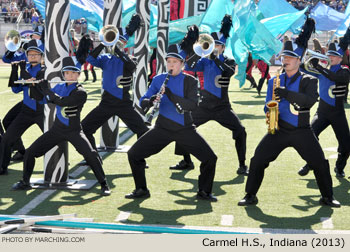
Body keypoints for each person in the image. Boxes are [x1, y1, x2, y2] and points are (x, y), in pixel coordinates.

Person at [238, 18, 341, 208]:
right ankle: (250, 195)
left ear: (298, 60)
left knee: (319, 163)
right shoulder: (273, 81)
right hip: (278, 130)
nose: (285, 60)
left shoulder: (309, 80)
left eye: (290, 58)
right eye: (284, 57)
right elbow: (266, 105)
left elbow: (309, 101)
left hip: (302, 131)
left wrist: (287, 94)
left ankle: (327, 197)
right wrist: (269, 112)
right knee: (258, 159)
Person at [125, 44, 218, 201]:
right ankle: (141, 189)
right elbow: (143, 101)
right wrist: (151, 100)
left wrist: (171, 95)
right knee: (133, 154)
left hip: (185, 129)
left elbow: (192, 105)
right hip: (163, 127)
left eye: (175, 62)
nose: (171, 65)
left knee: (210, 158)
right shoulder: (158, 79)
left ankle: (204, 191)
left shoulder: (190, 81)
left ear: (182, 64)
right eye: (169, 62)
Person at [11, 57, 111, 196]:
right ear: (63, 75)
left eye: (73, 73)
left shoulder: (81, 92)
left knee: (91, 154)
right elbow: (42, 99)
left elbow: (61, 101)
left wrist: (46, 89)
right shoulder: (59, 86)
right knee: (30, 152)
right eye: (67, 73)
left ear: (78, 75)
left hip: (74, 131)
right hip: (57, 130)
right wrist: (34, 86)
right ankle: (25, 181)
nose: (70, 76)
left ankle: (104, 184)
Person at [169, 15, 248, 175]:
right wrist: (198, 50)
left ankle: (242, 164)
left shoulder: (229, 61)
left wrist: (216, 58)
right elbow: (189, 64)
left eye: (218, 45)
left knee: (240, 130)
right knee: (182, 127)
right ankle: (186, 161)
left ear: (223, 48)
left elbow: (228, 72)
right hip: (203, 106)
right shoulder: (204, 61)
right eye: (214, 44)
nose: (215, 47)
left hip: (222, 107)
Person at [82, 15, 149, 150]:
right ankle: (93, 156)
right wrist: (104, 42)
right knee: (84, 128)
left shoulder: (130, 59)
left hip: (124, 103)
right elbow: (90, 58)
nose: (115, 44)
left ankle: (139, 157)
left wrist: (117, 48)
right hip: (106, 103)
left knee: (143, 130)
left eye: (119, 42)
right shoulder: (105, 58)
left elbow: (130, 66)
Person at [298, 28, 350, 178]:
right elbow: (302, 68)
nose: (331, 57)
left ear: (340, 58)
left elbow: (336, 78)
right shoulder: (322, 70)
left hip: (338, 113)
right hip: (322, 112)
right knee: (310, 135)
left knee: (346, 145)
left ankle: (339, 168)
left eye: (334, 55)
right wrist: (308, 60)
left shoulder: (344, 70)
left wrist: (319, 66)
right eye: (329, 55)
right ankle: (310, 163)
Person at [0, 39, 45, 175]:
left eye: (36, 54)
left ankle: (60, 163)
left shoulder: (44, 70)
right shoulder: (26, 68)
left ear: (41, 57)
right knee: (7, 138)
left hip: (42, 111)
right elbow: (16, 90)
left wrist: (23, 72)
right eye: (30, 54)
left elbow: (33, 82)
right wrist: (14, 71)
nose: (32, 57)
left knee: (55, 138)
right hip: (26, 111)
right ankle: (2, 167)